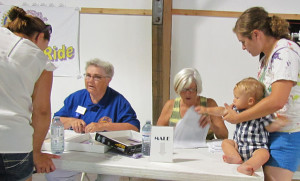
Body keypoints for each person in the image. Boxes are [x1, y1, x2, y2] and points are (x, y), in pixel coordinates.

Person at [223, 7, 300, 180]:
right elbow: (263, 99)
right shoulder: (267, 58)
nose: (243, 47)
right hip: (269, 132)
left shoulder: (285, 52)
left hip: (285, 134)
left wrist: (238, 118)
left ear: (256, 34)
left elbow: (277, 101)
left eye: (243, 41)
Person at [46, 58, 140, 181]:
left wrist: (104, 126)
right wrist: (71, 121)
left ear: (108, 80)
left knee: (109, 177)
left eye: (96, 77)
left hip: (107, 153)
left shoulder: (118, 101)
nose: (90, 81)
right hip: (78, 151)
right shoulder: (77, 97)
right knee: (54, 172)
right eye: (88, 76)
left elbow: (134, 128)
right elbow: (56, 121)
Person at [0, 6, 58, 181]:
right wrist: (37, 152)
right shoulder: (40, 61)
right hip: (14, 143)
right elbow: (41, 111)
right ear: (40, 36)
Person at [196, 77, 288, 176]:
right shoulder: (236, 110)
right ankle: (234, 157)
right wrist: (207, 110)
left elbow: (270, 126)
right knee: (226, 142)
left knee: (264, 154)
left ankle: (249, 165)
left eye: (237, 98)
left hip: (256, 148)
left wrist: (279, 123)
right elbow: (222, 111)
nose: (233, 100)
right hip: (238, 147)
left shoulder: (261, 113)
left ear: (250, 101)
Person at [157, 68, 228, 140]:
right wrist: (175, 131)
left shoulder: (209, 104)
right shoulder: (170, 105)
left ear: (198, 88)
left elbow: (224, 136)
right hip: (178, 149)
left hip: (204, 149)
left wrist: (211, 126)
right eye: (184, 89)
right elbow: (158, 133)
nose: (188, 93)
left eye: (191, 89)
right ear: (177, 89)